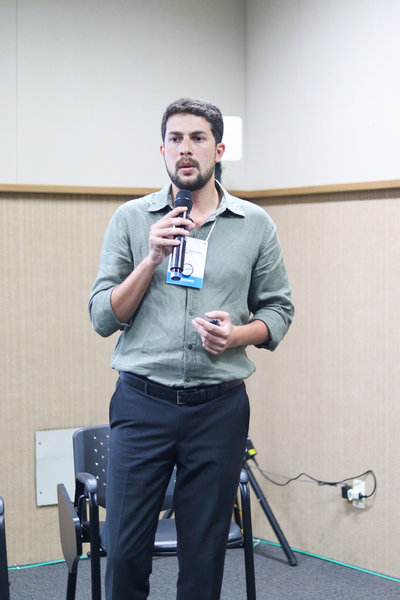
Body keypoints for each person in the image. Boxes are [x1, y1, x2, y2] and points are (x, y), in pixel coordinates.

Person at [89, 97, 294, 600]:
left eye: (198, 138)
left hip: (218, 410)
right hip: (142, 404)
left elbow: (278, 311)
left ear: (218, 150)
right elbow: (102, 318)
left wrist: (238, 335)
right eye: (175, 139)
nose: (185, 149)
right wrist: (150, 258)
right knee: (125, 552)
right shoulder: (132, 219)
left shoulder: (255, 224)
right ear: (162, 149)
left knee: (203, 558)